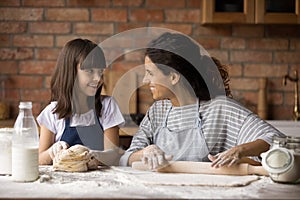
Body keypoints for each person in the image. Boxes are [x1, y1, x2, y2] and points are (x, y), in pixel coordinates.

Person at [119, 32, 285, 169]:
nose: (145, 81)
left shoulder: (220, 109)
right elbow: (126, 158)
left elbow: (278, 140)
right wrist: (145, 152)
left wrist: (240, 151)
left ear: (174, 77)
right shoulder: (157, 111)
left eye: (150, 73)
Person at [37, 38, 125, 165]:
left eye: (100, 71)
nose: (98, 78)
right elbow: (39, 160)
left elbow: (113, 156)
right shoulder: (52, 113)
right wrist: (52, 151)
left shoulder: (107, 106)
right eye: (90, 71)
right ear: (70, 72)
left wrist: (93, 156)